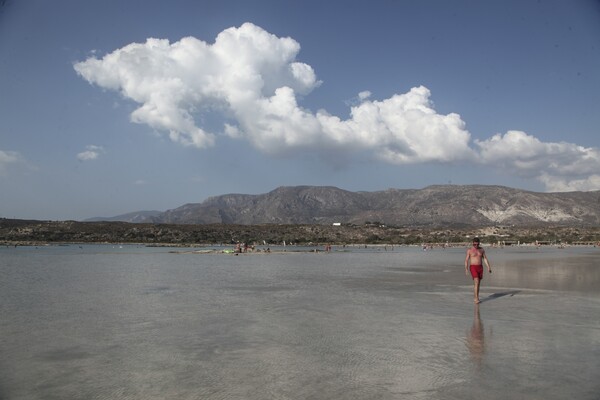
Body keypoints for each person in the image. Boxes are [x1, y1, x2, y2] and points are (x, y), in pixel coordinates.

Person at [465, 237, 492, 304]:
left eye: (477, 244)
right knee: (476, 281)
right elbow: (466, 260)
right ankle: (476, 298)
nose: (476, 246)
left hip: (480, 267)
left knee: (478, 283)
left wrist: (488, 267)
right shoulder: (470, 250)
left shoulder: (481, 250)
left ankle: (476, 296)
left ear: (479, 244)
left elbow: (485, 259)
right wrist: (466, 269)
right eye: (474, 244)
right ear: (473, 244)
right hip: (473, 267)